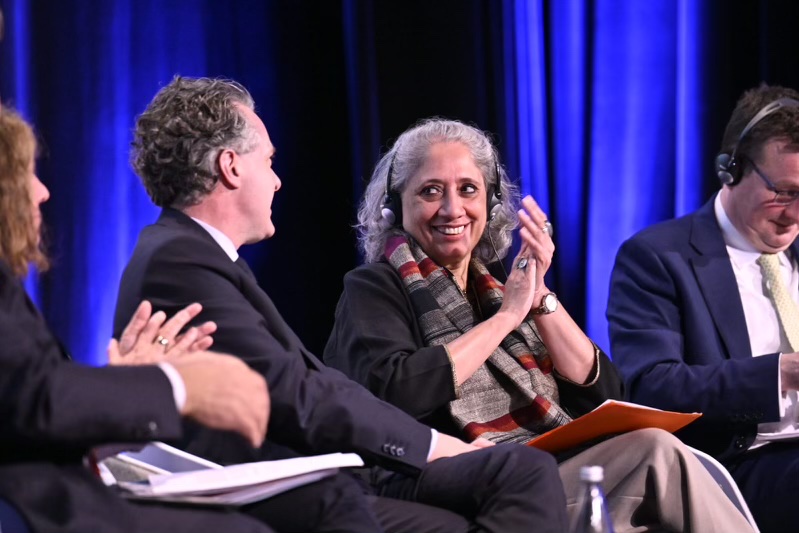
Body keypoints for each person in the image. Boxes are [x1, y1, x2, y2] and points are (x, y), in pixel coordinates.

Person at [113, 75, 570, 533]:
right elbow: (298, 393)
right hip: (269, 492)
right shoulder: (180, 260)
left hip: (311, 479)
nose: (276, 181)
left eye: (469, 190)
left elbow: (304, 382)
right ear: (231, 166)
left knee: (518, 473)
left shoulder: (192, 255)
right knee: (518, 475)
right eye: (268, 162)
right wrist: (433, 445)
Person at [324, 117, 757, 533]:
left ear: (490, 205)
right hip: (449, 486)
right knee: (658, 455)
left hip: (538, 470)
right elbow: (396, 391)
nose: (452, 208)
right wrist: (507, 317)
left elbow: (605, 394)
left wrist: (538, 298)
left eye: (468, 189)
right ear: (394, 206)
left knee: (658, 450)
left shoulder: (492, 285)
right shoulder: (375, 285)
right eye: (431, 191)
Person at [0, 105, 280, 533]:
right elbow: (33, 399)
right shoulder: (178, 255)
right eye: (23, 175)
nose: (41, 192)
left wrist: (125, 381)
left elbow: (26, 408)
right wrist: (177, 386)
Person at [607, 83, 799, 533]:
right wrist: (782, 374)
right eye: (784, 192)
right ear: (730, 169)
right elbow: (651, 386)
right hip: (738, 465)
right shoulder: (657, 257)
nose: (795, 213)